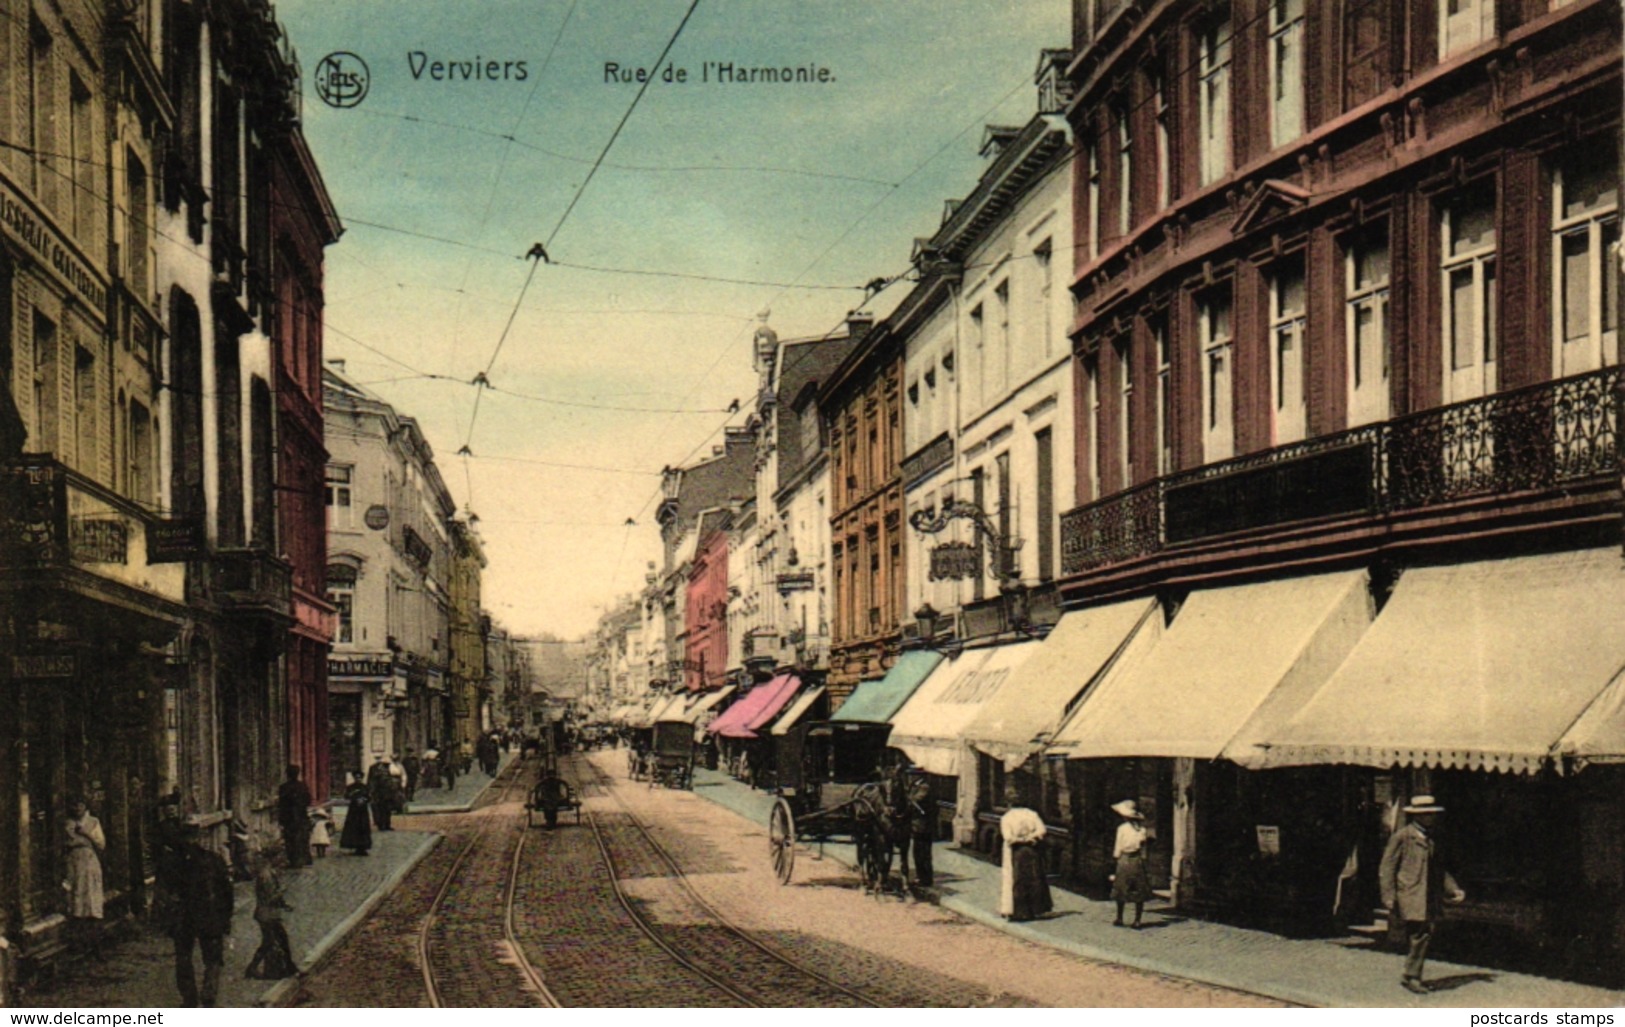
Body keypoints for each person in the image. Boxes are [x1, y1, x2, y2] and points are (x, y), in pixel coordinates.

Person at [1379, 795, 1466, 995]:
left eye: (1432, 814)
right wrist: (1388, 895)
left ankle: (1411, 974)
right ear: (1416, 816)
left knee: (1420, 934)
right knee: (1419, 934)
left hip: (1427, 895)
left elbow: (1439, 870)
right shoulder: (1402, 836)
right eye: (1425, 814)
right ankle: (1412, 976)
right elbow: (1387, 867)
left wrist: (1453, 888)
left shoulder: (1431, 838)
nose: (1430, 818)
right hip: (1409, 893)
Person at [167, 822, 234, 1007]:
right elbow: (227, 892)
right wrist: (226, 918)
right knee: (213, 958)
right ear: (199, 839)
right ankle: (209, 993)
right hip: (210, 915)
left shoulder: (172, 862)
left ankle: (190, 999)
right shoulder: (214, 860)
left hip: (184, 918)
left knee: (184, 958)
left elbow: (166, 894)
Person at [64, 799, 106, 957]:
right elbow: (67, 842)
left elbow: (101, 843)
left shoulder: (93, 822)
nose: (77, 808)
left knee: (92, 900)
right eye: (74, 805)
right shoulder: (68, 823)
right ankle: (78, 943)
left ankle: (95, 944)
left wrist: (85, 834)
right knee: (76, 899)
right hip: (74, 863)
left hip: (89, 862)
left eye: (80, 805)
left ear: (85, 807)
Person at [244, 853, 295, 980]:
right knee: (271, 941)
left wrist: (284, 905)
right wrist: (282, 891)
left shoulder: (269, 874)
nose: (284, 864)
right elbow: (269, 898)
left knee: (276, 940)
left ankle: (289, 967)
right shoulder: (266, 876)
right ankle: (253, 968)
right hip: (266, 915)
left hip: (268, 914)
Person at [999, 806, 1051, 922]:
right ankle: (1036, 909)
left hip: (1016, 850)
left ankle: (1019, 911)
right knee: (1035, 877)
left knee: (1016, 879)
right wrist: (1030, 837)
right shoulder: (1032, 814)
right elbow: (1042, 830)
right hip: (1032, 849)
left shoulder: (1007, 817)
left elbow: (1008, 837)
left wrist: (1021, 839)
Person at [1111, 799, 1153, 928]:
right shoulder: (1142, 830)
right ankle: (1137, 920)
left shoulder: (1122, 829)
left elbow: (1118, 847)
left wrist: (1116, 857)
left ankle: (1119, 917)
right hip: (1137, 860)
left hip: (1124, 859)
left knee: (1121, 889)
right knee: (1138, 889)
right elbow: (1144, 847)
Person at [276, 765, 312, 868]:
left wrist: (281, 818)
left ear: (287, 774)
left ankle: (293, 860)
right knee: (301, 838)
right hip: (301, 816)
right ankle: (303, 859)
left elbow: (281, 804)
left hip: (289, 818)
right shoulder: (303, 786)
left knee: (290, 839)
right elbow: (308, 801)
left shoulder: (284, 787)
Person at [341, 773, 373, 856]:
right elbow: (346, 796)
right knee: (354, 827)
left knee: (363, 828)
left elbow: (369, 797)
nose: (358, 779)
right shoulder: (350, 787)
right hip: (354, 811)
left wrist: (364, 800)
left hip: (363, 811)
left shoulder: (365, 787)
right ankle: (354, 845)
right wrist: (354, 798)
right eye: (356, 777)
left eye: (360, 778)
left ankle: (363, 847)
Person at [367, 755, 397, 831]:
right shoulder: (374, 768)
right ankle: (381, 825)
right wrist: (371, 791)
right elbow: (371, 781)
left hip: (388, 792)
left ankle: (387, 824)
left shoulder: (389, 768)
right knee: (380, 809)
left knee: (388, 809)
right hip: (379, 792)